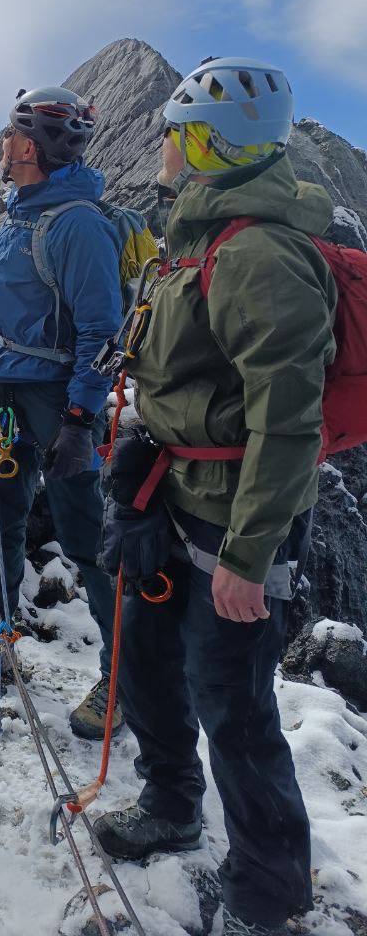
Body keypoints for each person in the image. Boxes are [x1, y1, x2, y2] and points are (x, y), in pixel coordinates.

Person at [95, 59, 336, 936]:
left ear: (210, 144)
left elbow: (290, 420)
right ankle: (170, 805)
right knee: (148, 660)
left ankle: (267, 893)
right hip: (172, 490)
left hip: (234, 517)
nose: (163, 143)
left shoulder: (259, 255)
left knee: (232, 706)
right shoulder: (199, 235)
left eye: (177, 130)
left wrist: (250, 555)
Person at [0, 85, 125, 741]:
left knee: (88, 539)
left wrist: (79, 421)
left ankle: (122, 679)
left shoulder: (77, 224)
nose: (2, 143)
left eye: (10, 133)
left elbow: (101, 333)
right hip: (8, 390)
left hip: (57, 401)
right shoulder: (22, 212)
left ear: (28, 146)